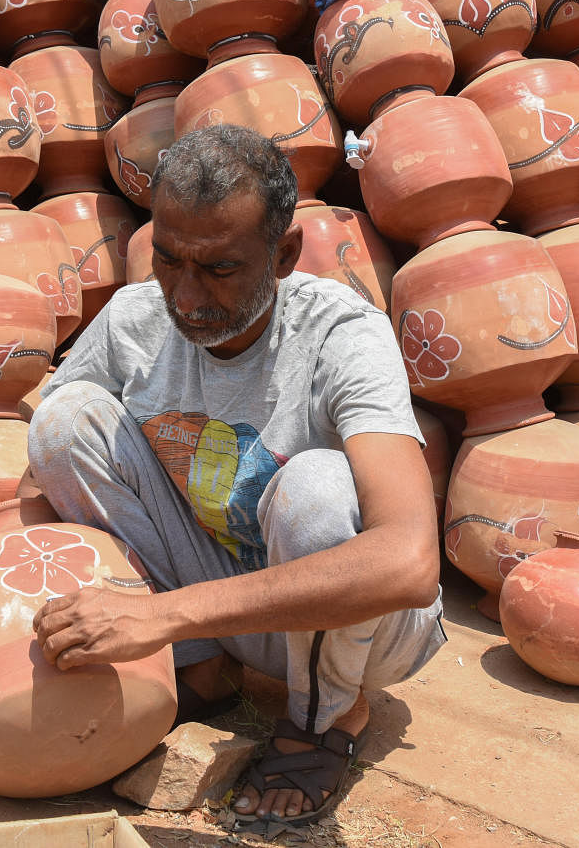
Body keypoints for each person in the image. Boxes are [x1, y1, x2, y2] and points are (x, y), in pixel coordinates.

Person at [26, 124, 446, 827]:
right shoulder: (134, 320)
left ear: (282, 255)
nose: (186, 296)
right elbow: (40, 475)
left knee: (315, 489)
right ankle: (201, 669)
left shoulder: (344, 335)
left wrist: (160, 615)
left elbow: (409, 564)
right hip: (224, 608)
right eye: (168, 261)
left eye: (219, 269)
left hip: (365, 627)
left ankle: (327, 715)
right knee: (62, 422)